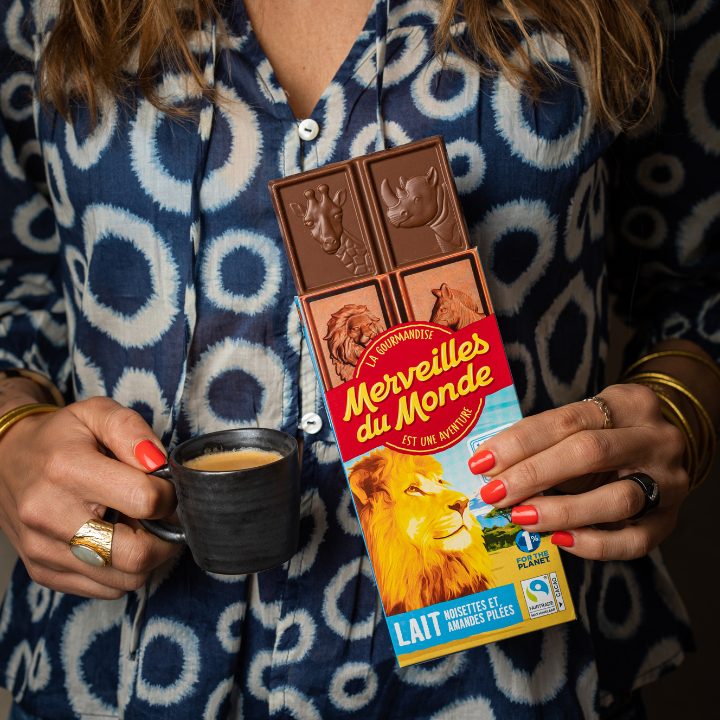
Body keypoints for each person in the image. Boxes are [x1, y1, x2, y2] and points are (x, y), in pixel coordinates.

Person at [0, 0, 717, 718]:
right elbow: (20, 274)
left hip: (506, 682)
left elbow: (700, 281)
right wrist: (11, 436)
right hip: (125, 678)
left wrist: (682, 415)